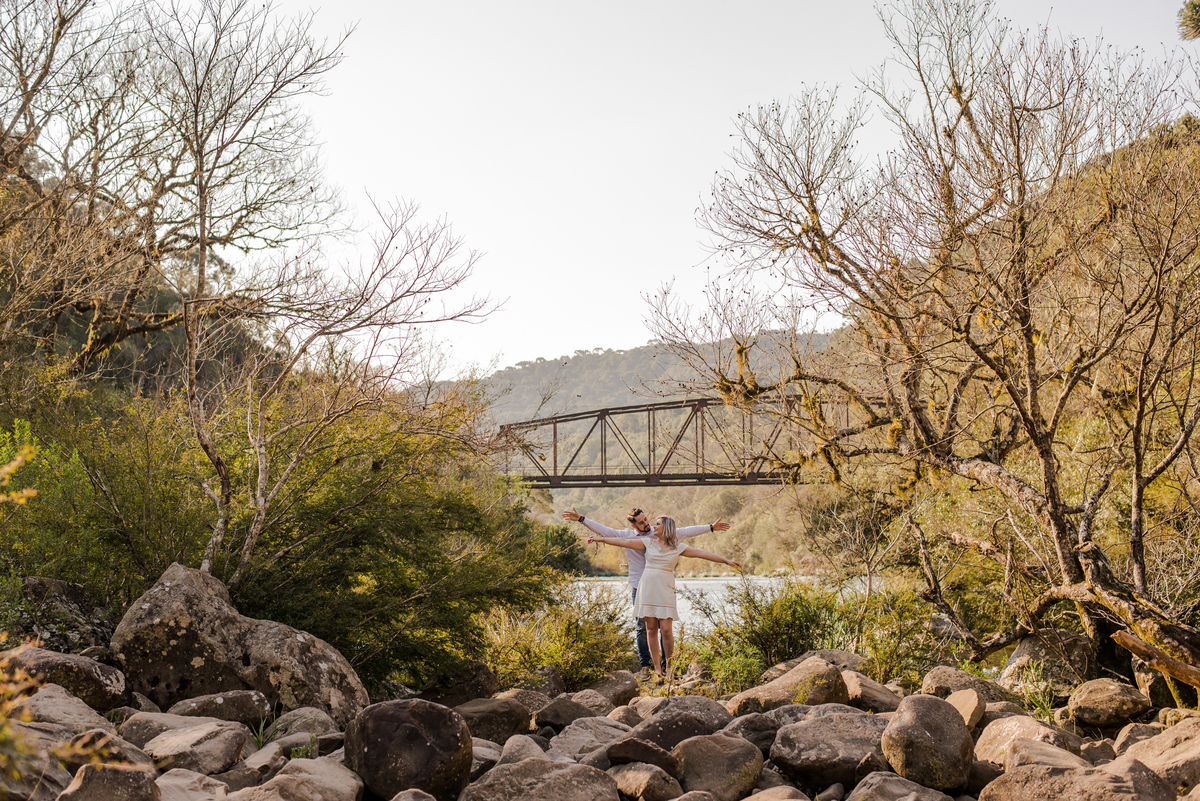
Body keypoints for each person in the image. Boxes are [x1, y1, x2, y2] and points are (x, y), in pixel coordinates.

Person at [562, 507, 729, 673]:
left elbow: (688, 532)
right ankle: (646, 666)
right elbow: (607, 532)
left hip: (662, 586)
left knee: (665, 628)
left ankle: (666, 666)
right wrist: (582, 520)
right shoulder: (632, 537)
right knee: (644, 628)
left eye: (646, 520)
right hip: (641, 586)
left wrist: (711, 527)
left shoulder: (661, 535)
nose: (647, 524)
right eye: (641, 523)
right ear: (634, 525)